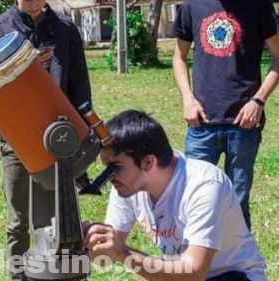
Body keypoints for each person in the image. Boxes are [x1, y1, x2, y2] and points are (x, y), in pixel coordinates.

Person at [0, 0, 91, 280]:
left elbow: (80, 87)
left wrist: (87, 134)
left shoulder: (65, 30)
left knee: (55, 220)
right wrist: (21, 68)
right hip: (15, 142)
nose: (36, 5)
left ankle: (55, 274)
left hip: (59, 143)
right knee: (17, 222)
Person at [171, 0, 279, 228]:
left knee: (237, 199)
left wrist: (258, 101)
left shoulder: (258, 5)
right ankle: (195, 268)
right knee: (195, 196)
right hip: (201, 123)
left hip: (243, 123)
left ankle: (239, 268)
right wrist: (188, 99)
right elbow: (178, 58)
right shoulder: (191, 8)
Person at [84, 110, 267, 281]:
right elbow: (103, 259)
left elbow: (193, 273)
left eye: (115, 167)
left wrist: (123, 253)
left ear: (148, 161)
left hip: (233, 276)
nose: (109, 177)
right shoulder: (127, 185)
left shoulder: (204, 185)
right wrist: (86, 241)